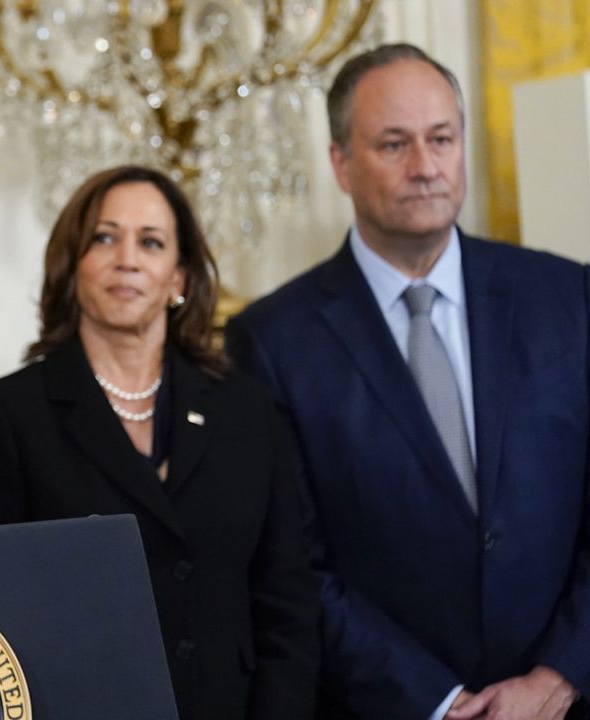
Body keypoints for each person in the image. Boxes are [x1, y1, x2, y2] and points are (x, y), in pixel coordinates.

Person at [225, 43, 590, 720]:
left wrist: (559, 676)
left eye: (441, 139)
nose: (425, 167)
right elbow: (296, 568)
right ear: (340, 162)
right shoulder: (273, 342)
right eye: (394, 145)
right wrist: (440, 703)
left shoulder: (569, 298)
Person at [0, 165, 319, 720]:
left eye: (151, 242)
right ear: (71, 264)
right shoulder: (4, 415)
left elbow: (286, 600)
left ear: (179, 278)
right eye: (105, 238)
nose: (127, 258)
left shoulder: (247, 410)